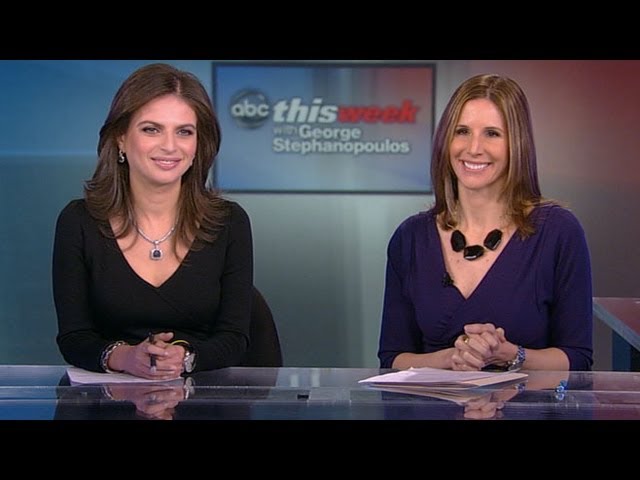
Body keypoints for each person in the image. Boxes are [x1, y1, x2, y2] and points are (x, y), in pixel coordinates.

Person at [378, 74, 592, 372]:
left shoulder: (558, 232)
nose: (474, 148)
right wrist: (452, 358)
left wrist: (509, 355)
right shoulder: (410, 238)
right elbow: (392, 359)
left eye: (492, 133)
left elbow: (577, 359)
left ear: (517, 144)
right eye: (462, 131)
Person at [52, 63, 253, 379]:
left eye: (184, 132)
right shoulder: (79, 221)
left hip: (204, 396)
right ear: (120, 138)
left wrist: (183, 359)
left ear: (198, 143)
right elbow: (74, 337)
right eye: (151, 129)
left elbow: (234, 338)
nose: (170, 146)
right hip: (108, 398)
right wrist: (127, 357)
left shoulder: (229, 222)